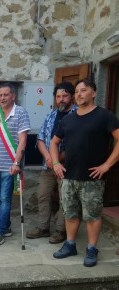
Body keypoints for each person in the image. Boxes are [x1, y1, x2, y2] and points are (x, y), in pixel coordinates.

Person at [50, 78, 119, 267]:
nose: (79, 94)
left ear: (94, 93)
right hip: (68, 177)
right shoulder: (68, 119)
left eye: (84, 90)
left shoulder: (105, 116)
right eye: (77, 91)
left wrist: (107, 165)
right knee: (70, 214)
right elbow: (54, 142)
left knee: (92, 215)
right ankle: (70, 245)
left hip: (92, 179)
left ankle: (91, 249)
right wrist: (56, 162)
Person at [26, 82, 76, 244]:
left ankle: (61, 230)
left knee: (65, 199)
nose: (61, 99)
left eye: (65, 96)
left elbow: (77, 144)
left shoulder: (78, 116)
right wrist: (49, 158)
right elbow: (40, 139)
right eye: (58, 96)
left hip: (67, 166)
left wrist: (57, 159)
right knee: (43, 194)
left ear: (72, 96)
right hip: (48, 165)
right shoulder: (51, 115)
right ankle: (43, 227)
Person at [0, 82, 30, 249]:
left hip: (11, 166)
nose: (2, 98)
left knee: (4, 198)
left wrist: (17, 162)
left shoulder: (21, 113)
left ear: (13, 96)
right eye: (0, 95)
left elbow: (23, 140)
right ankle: (7, 226)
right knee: (0, 198)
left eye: (5, 94)